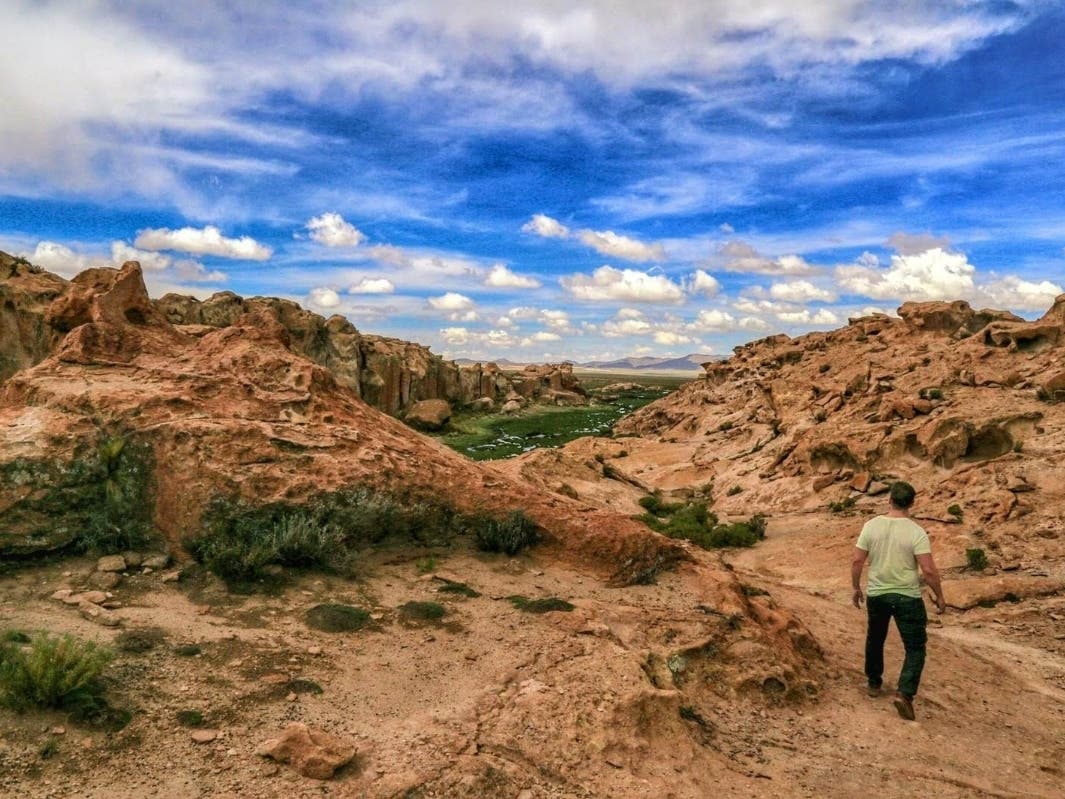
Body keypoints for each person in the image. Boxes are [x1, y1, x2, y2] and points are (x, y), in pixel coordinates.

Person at [851, 480, 946, 721]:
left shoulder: (871, 526)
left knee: (875, 638)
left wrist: (855, 587)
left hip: (878, 593)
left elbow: (857, 561)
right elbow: (929, 570)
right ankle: (904, 694)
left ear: (889, 499)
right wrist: (939, 595)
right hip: (907, 596)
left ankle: (874, 683)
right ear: (912, 503)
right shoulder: (916, 532)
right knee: (915, 647)